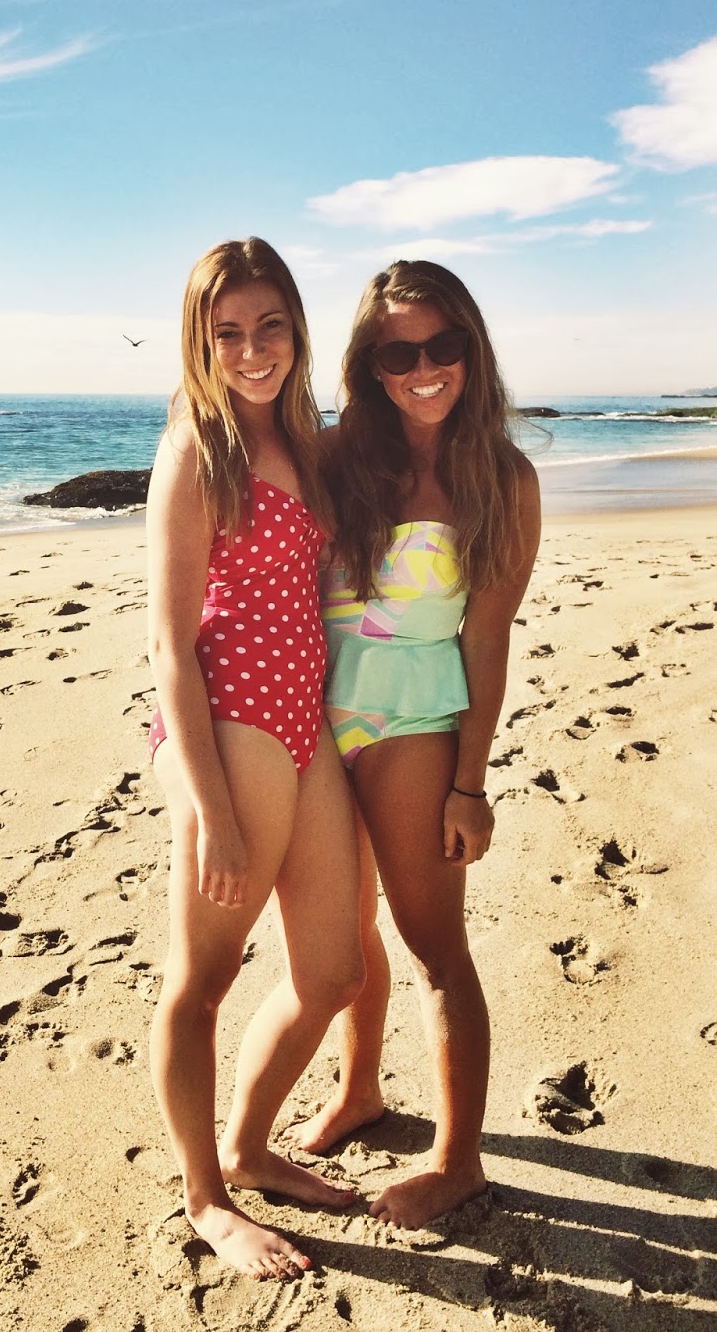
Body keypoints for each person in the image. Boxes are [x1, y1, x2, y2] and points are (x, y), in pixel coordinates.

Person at [290, 259, 541, 1229]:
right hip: (319, 722)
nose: (424, 369)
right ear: (370, 365)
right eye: (399, 354)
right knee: (345, 936)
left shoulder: (503, 479)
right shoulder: (334, 457)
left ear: (472, 349)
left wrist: (470, 785)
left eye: (444, 346)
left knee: (435, 947)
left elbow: (488, 635)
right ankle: (359, 1090)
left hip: (416, 723)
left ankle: (458, 1158)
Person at [146, 237, 364, 1281]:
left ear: (296, 329)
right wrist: (215, 814)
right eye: (227, 332)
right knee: (200, 981)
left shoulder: (309, 439)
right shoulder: (197, 449)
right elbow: (168, 646)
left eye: (269, 325)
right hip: (229, 721)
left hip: (304, 717)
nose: (251, 349)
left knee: (331, 971)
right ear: (201, 341)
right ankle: (207, 1197)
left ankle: (247, 1144)